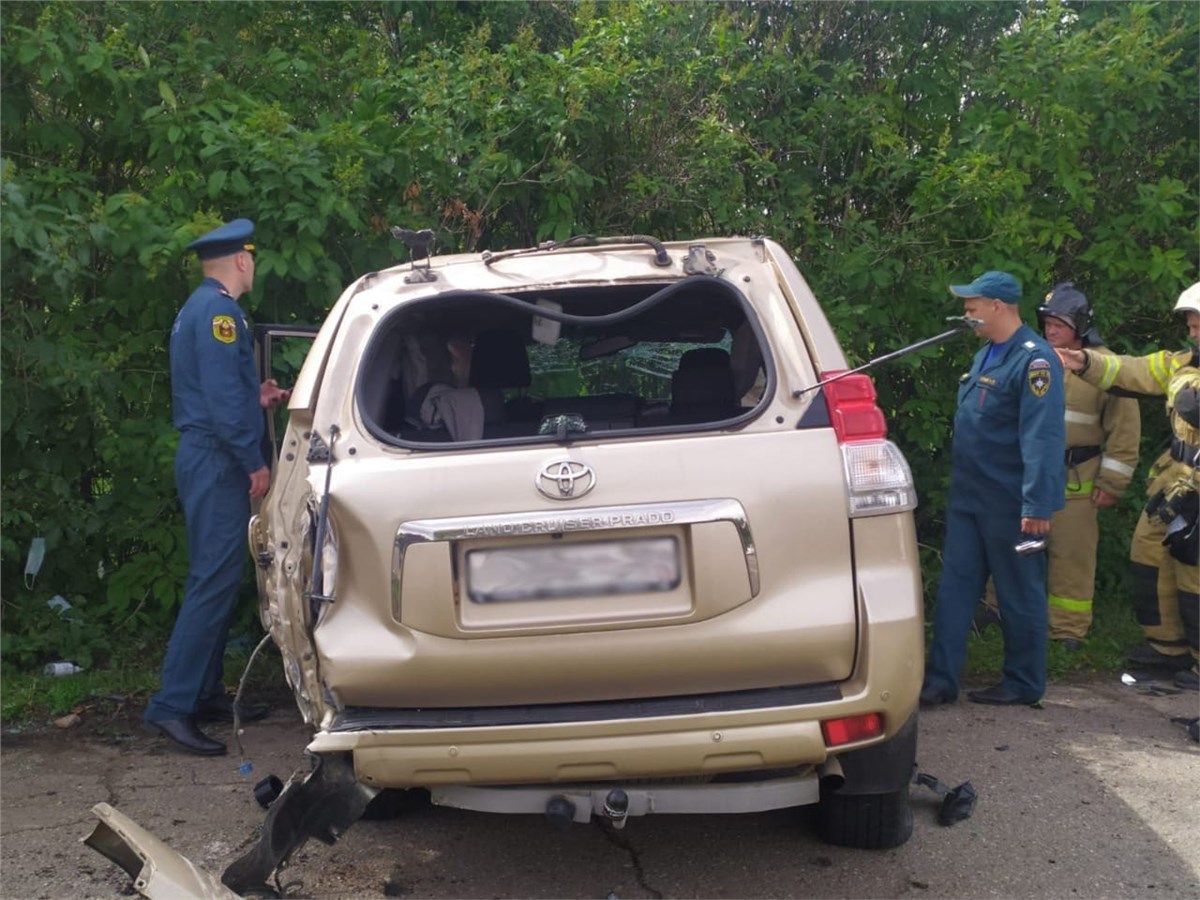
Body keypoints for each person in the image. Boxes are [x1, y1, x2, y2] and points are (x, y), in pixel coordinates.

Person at [144, 218, 290, 756]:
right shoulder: (221, 314)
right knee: (212, 579)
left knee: (218, 576)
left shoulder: (200, 309)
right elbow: (224, 402)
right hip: (219, 458)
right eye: (253, 259)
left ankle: (203, 694)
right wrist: (253, 460)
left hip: (209, 452)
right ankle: (171, 707)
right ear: (242, 261)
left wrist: (259, 395)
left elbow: (222, 390)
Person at [921, 270, 1066, 708]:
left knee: (1019, 592)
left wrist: (1037, 502)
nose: (967, 314)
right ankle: (940, 682)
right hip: (969, 498)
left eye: (972, 307)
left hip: (1011, 502)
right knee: (954, 591)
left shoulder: (1034, 360)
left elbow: (1042, 438)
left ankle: (1023, 682)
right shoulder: (986, 354)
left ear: (997, 307)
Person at [977, 283, 1141, 649]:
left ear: (1080, 324)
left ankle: (1067, 632)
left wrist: (1113, 483)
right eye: (1047, 321)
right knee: (1012, 546)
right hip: (1026, 477)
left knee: (1072, 559)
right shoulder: (1031, 358)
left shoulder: (1107, 367)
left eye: (1060, 323)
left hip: (1077, 482)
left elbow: (1125, 431)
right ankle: (996, 611)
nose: (1051, 329)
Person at [1057, 282, 1200, 692]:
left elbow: (1192, 404)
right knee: (1148, 555)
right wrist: (1083, 361)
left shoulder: (1185, 371)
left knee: (1194, 576)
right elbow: (1131, 371)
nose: (1192, 334)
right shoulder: (1184, 362)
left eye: (1197, 326)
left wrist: (1183, 383)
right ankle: (1169, 648)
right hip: (1178, 483)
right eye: (1190, 326)